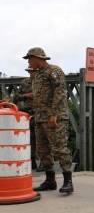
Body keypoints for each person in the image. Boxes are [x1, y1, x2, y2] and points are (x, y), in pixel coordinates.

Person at [23, 47, 74, 194]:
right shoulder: (37, 75)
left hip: (55, 117)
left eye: (30, 59)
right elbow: (39, 95)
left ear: (38, 58)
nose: (28, 62)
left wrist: (54, 115)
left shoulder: (54, 71)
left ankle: (68, 181)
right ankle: (50, 180)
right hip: (40, 118)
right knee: (42, 150)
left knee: (60, 148)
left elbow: (60, 93)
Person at [13, 68, 38, 170]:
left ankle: (45, 164)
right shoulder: (25, 82)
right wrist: (25, 96)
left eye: (33, 71)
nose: (31, 73)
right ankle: (32, 161)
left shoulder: (43, 82)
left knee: (42, 139)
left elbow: (42, 96)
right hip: (28, 114)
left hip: (41, 113)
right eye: (30, 72)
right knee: (30, 138)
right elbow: (16, 97)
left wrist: (30, 96)